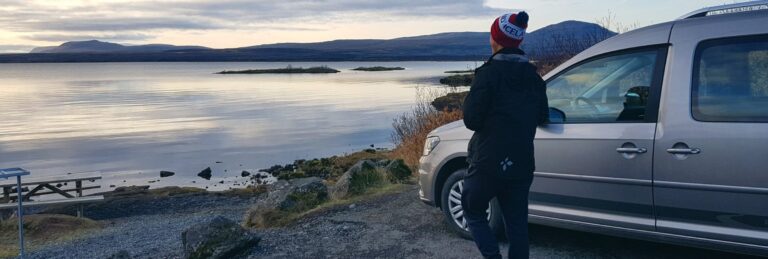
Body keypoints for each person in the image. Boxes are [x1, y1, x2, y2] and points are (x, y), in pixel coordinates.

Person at [461, 11, 549, 259]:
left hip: (488, 161)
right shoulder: (534, 78)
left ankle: (492, 256)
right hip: (521, 163)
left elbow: (471, 120)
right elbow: (543, 116)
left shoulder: (488, 75)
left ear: (495, 39)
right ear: (519, 41)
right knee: (517, 225)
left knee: (472, 209)